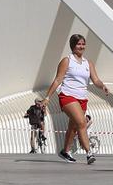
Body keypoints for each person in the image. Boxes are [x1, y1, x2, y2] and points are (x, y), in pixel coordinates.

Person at [43, 34, 109, 165]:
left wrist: (102, 86)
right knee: (82, 123)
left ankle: (65, 151)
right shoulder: (67, 61)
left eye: (83, 44)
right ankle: (89, 153)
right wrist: (47, 97)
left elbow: (95, 80)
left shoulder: (88, 63)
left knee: (73, 127)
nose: (81, 46)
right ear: (73, 45)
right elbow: (58, 80)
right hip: (68, 96)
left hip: (82, 98)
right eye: (79, 44)